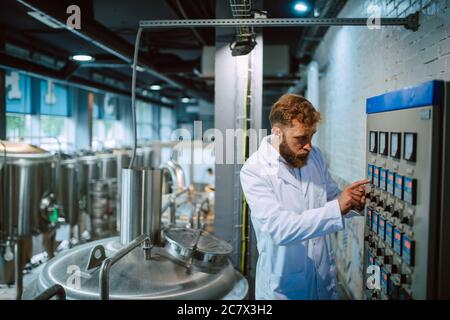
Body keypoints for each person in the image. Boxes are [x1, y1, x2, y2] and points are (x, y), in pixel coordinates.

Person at [240, 93, 368, 300]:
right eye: (300, 138)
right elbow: (279, 229)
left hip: (323, 281)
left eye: (312, 136)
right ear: (277, 132)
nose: (309, 145)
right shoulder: (255, 170)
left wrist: (353, 202)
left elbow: (331, 198)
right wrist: (337, 208)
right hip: (286, 289)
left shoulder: (314, 156)